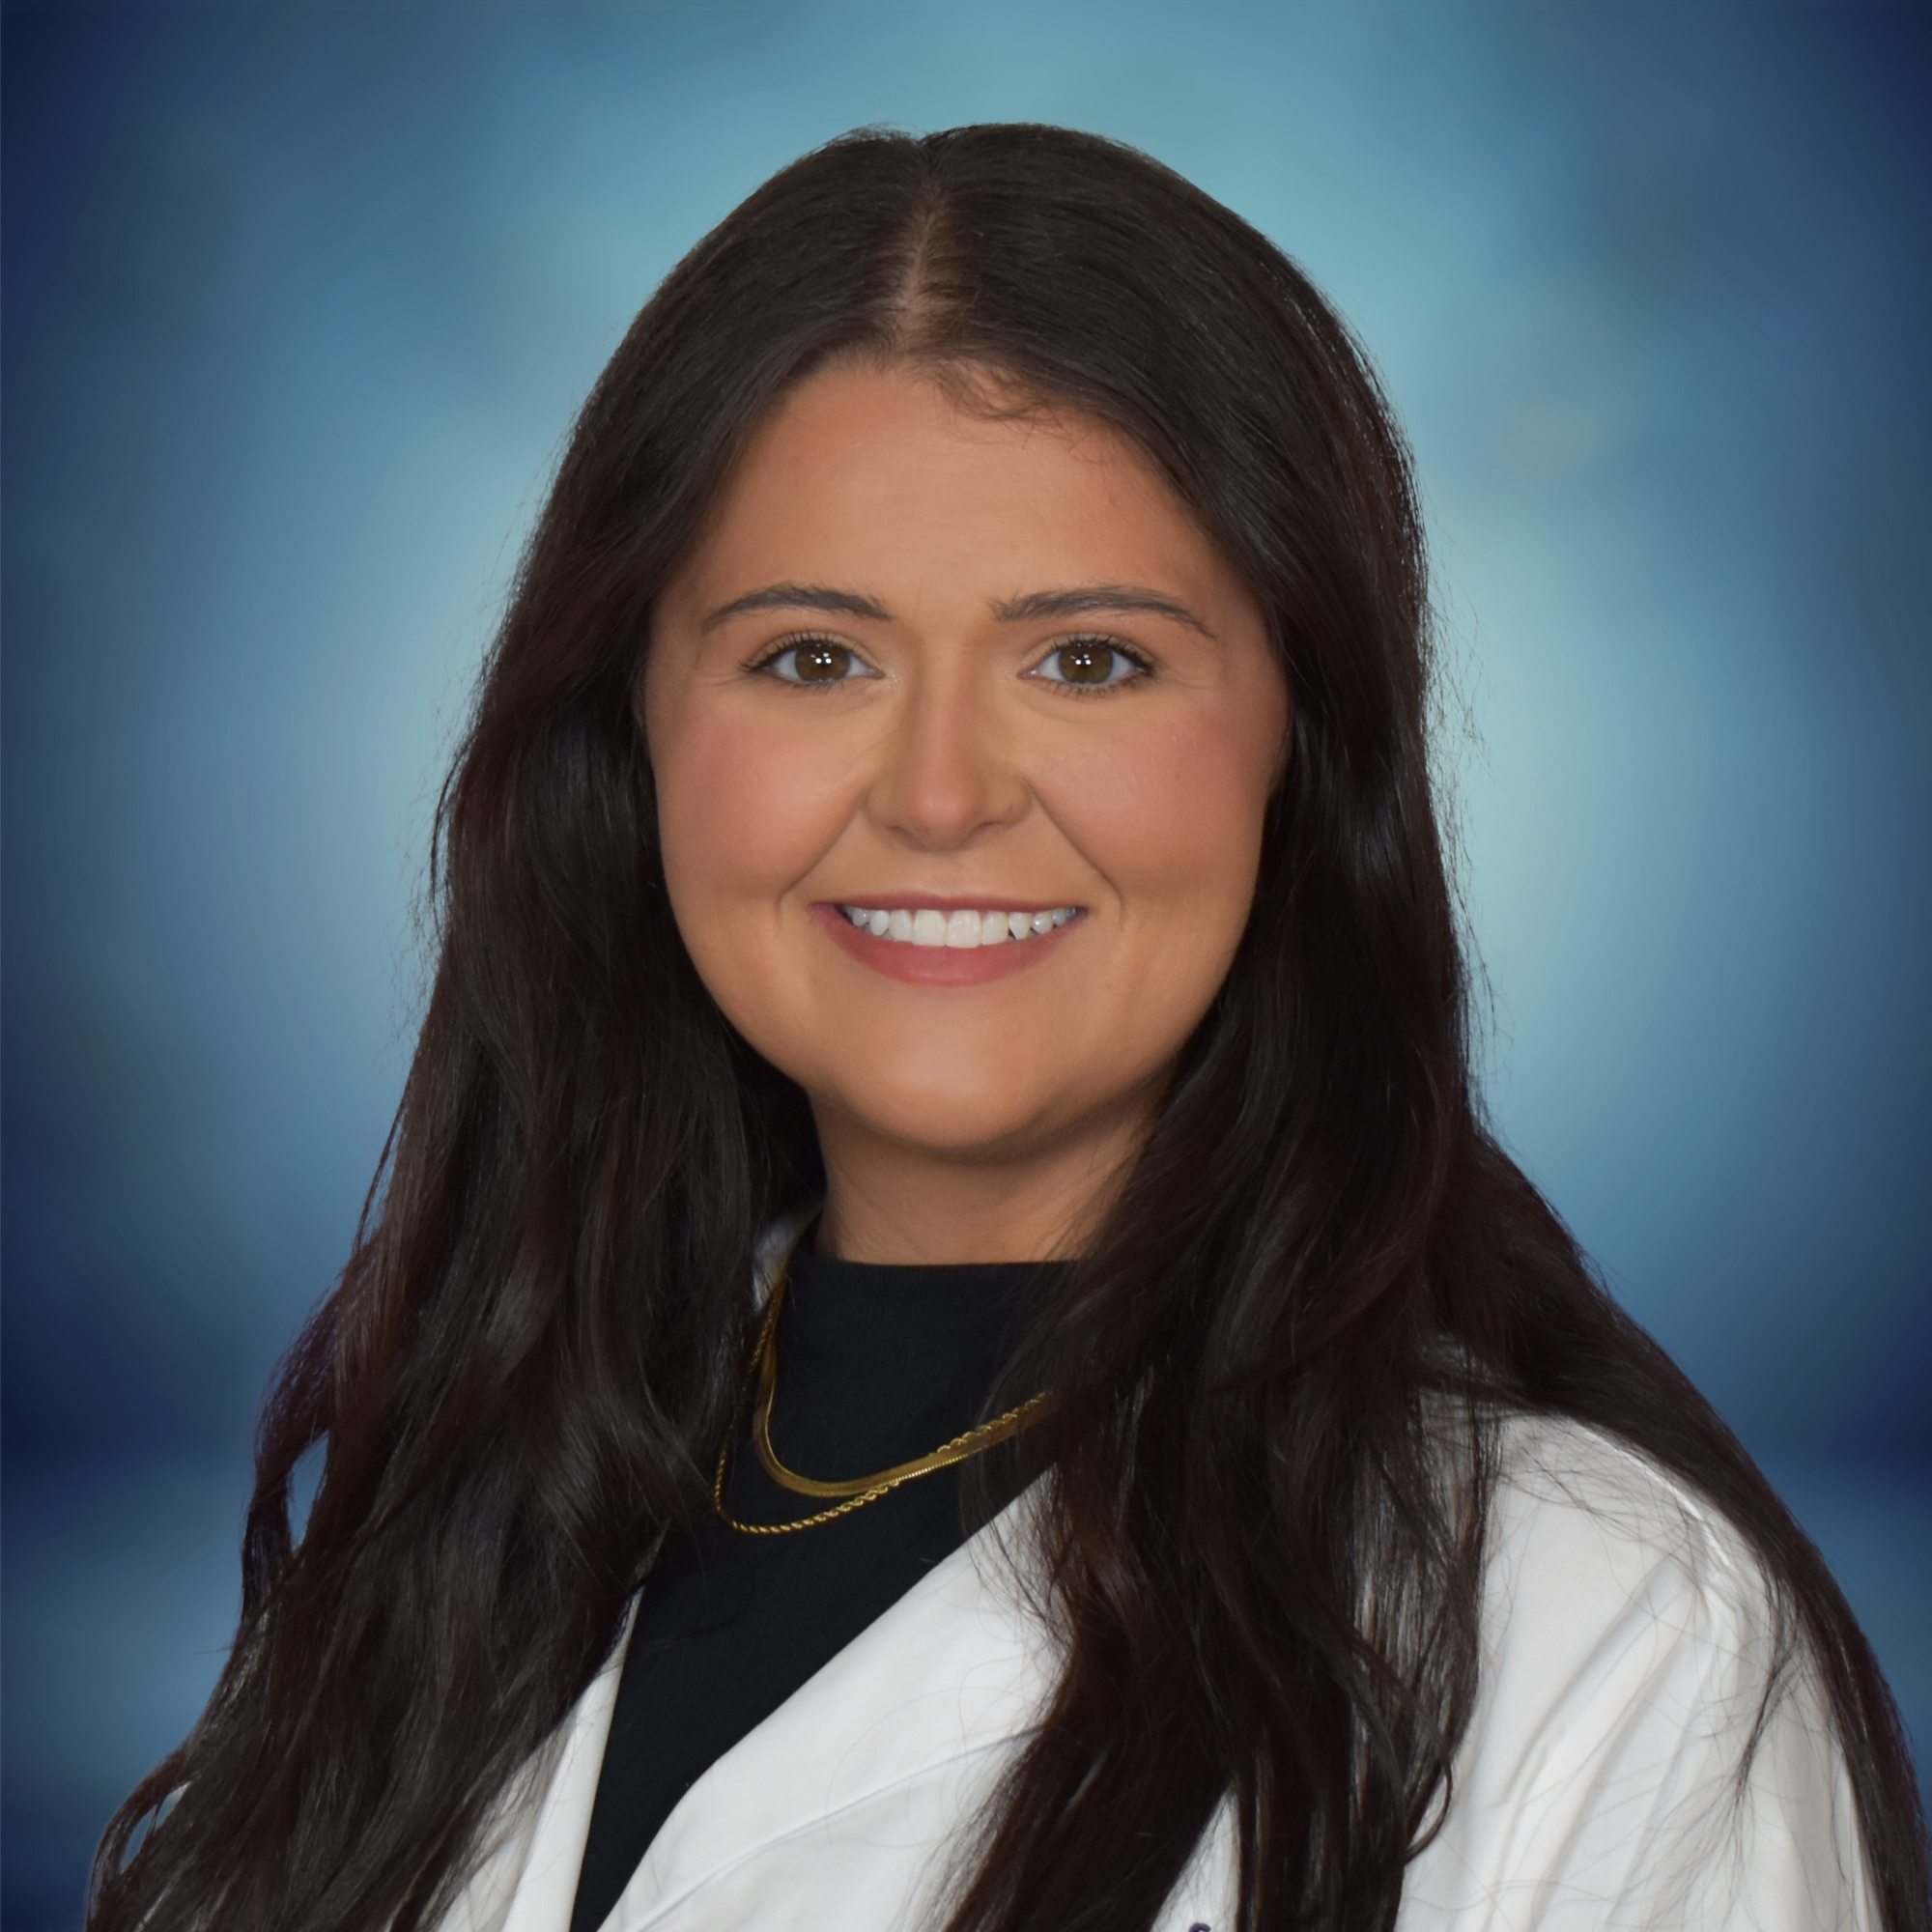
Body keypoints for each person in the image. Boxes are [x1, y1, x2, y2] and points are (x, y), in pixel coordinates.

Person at [89, 125, 1926, 1932]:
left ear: (1306, 749)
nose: (943, 793)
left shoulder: (1605, 1641)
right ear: (627, 734)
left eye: (1089, 660)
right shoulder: (443, 1551)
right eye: (814, 657)